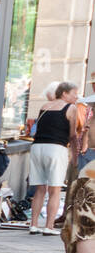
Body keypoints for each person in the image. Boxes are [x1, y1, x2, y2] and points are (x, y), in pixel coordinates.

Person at [29, 81, 81, 235]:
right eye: (74, 93)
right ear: (64, 93)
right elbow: (72, 135)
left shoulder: (44, 106)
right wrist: (75, 155)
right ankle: (49, 226)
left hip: (37, 148)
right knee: (55, 189)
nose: (76, 97)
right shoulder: (70, 108)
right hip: (56, 148)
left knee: (40, 188)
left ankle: (33, 224)